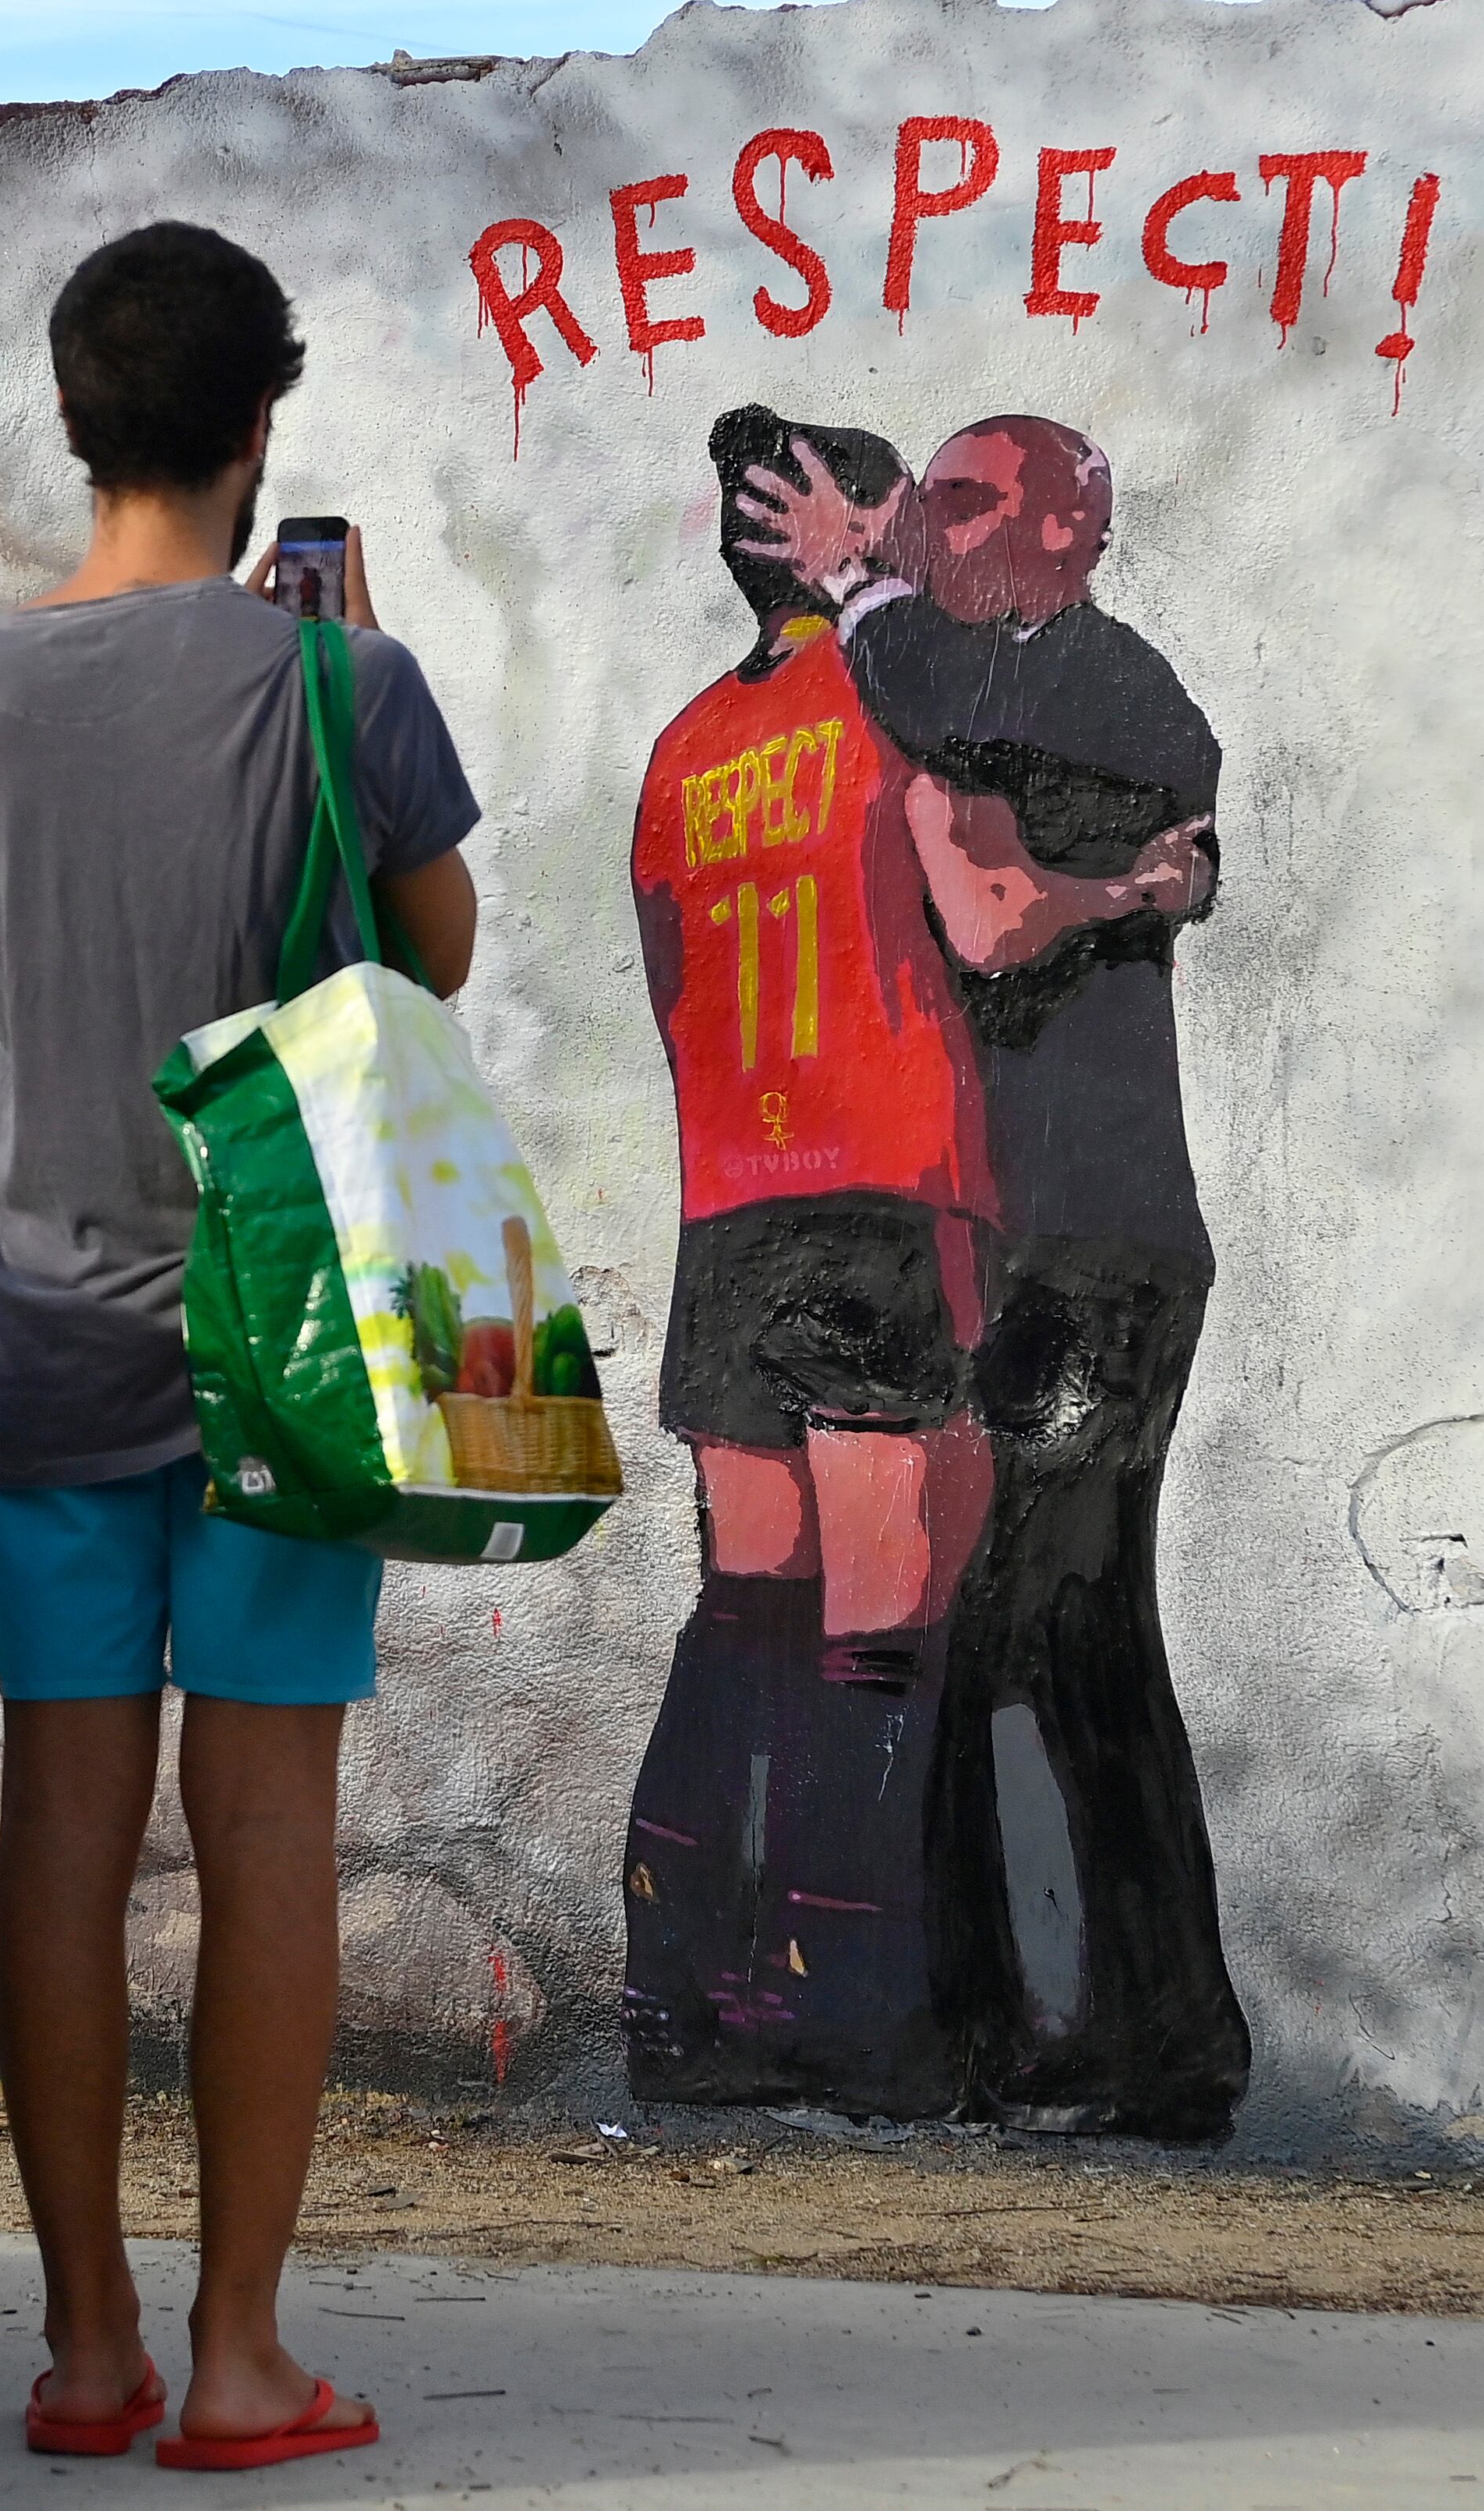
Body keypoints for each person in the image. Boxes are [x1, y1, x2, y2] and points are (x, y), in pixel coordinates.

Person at [0, 221, 480, 2469]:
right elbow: (424, 961)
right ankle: (242, 2362)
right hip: (291, 1341)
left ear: (75, 421)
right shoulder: (347, 683)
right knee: (266, 1830)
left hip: (44, 1321)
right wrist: (323, 699)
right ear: (265, 431)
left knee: (62, 1825)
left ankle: (82, 2353)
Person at [739, 415, 1246, 2138]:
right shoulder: (955, 671)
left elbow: (996, 888)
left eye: (961, 504)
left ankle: (1153, 2043)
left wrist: (858, 589)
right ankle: (999, 2032)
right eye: (921, 505)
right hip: (977, 1237)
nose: (929, 532)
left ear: (1071, 524)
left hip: (1095, 1247)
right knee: (974, 1626)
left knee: (1068, 1627)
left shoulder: (1117, 691)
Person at [621, 408, 1002, 2117]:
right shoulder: (900, 697)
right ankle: (850, 2012)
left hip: (731, 1208)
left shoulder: (683, 742)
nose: (921, 537)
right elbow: (985, 922)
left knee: (744, 1618)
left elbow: (666, 985)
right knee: (880, 1635)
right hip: (881, 1185)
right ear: (835, 527)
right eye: (898, 509)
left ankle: (680, 1997)